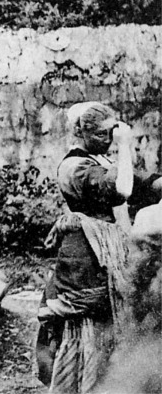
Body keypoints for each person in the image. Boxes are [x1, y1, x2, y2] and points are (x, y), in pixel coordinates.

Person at [36, 102, 162, 393]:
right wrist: (125, 145)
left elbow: (142, 184)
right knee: (88, 325)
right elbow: (123, 189)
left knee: (111, 321)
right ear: (85, 132)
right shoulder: (74, 166)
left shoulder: (100, 160)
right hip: (86, 257)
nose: (112, 138)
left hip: (109, 253)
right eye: (106, 133)